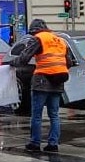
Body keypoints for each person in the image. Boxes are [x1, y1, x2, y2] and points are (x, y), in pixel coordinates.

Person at [10, 18, 75, 153]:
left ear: (34, 31)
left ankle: (35, 143)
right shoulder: (60, 40)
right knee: (54, 114)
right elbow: (68, 63)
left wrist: (11, 63)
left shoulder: (38, 39)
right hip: (58, 80)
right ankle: (53, 144)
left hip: (42, 80)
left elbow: (24, 58)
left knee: (37, 114)